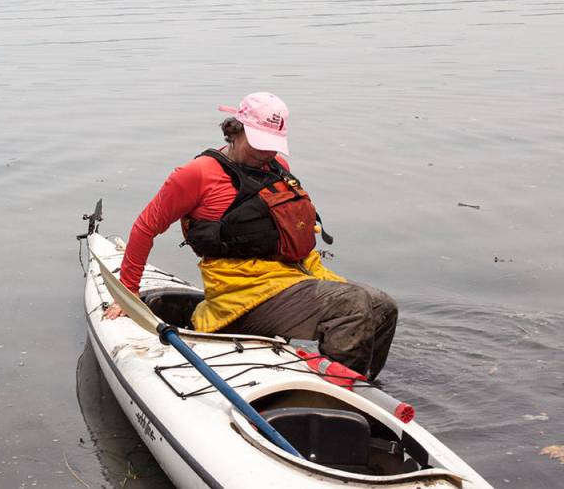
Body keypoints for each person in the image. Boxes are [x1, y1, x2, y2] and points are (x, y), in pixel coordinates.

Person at [104, 92, 398, 380]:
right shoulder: (196, 174)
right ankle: (334, 397)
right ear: (236, 130)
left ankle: (362, 387)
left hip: (286, 280)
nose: (267, 152)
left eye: (273, 145)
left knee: (382, 306)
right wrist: (128, 293)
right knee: (351, 305)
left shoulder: (278, 168)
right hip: (239, 295)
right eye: (260, 143)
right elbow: (145, 227)